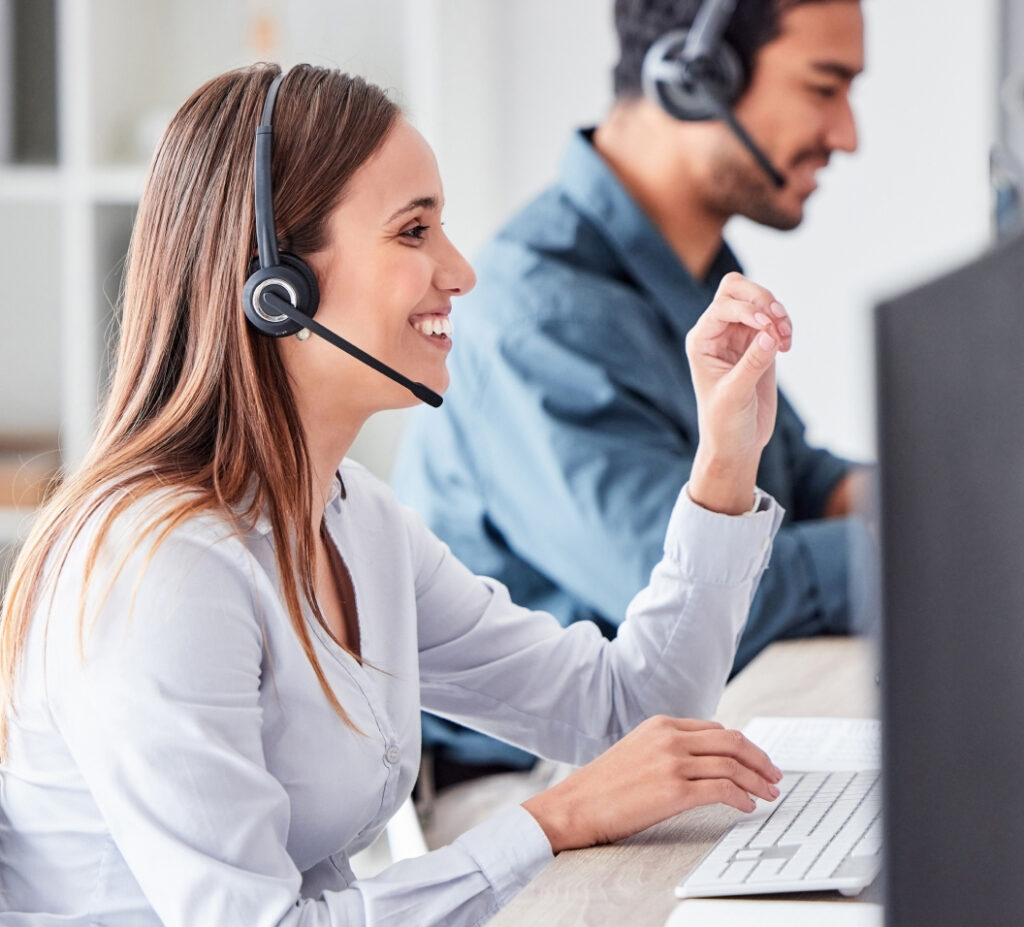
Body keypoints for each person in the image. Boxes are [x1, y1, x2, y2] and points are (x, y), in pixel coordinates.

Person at [0, 62, 793, 926]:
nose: (460, 271)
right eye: (414, 231)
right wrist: (550, 822)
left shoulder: (356, 519)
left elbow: (629, 715)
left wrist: (723, 463)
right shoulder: (161, 570)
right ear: (277, 287)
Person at [392, 0, 874, 792]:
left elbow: (802, 483)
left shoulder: (685, 264)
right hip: (526, 777)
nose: (846, 134)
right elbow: (714, 595)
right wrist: (945, 547)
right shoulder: (536, 316)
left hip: (670, 724)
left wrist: (958, 500)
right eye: (824, 87)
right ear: (694, 76)